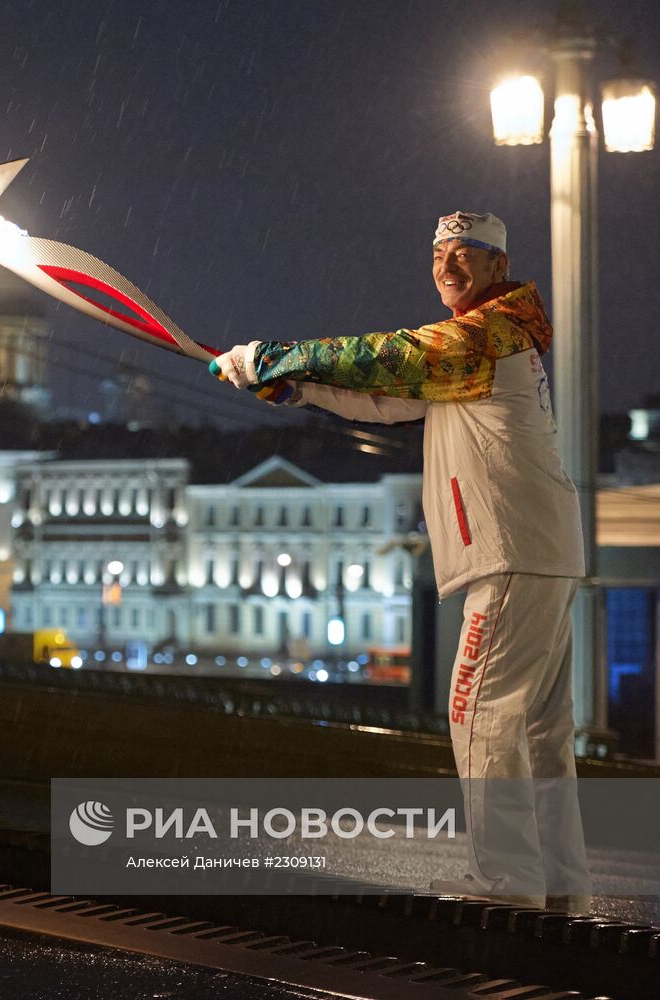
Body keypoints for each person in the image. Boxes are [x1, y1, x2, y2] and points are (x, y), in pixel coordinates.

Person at [210, 211, 590, 911]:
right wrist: (292, 387)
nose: (448, 266)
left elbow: (391, 357)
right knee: (537, 729)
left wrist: (276, 354)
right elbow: (386, 399)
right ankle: (561, 886)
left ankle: (505, 883)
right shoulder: (480, 349)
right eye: (439, 254)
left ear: (497, 268)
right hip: (539, 549)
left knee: (477, 713)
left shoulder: (484, 335)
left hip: (508, 551)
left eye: (466, 255)